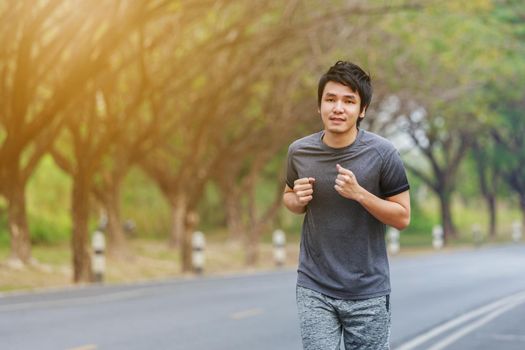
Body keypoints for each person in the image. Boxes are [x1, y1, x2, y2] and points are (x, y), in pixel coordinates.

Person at [283, 61, 411, 350]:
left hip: (368, 292)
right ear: (319, 106)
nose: (337, 108)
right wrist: (297, 199)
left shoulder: (383, 154)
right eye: (330, 99)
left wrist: (360, 194)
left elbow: (402, 217)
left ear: (362, 110)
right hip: (314, 285)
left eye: (348, 101)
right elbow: (289, 197)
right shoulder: (300, 152)